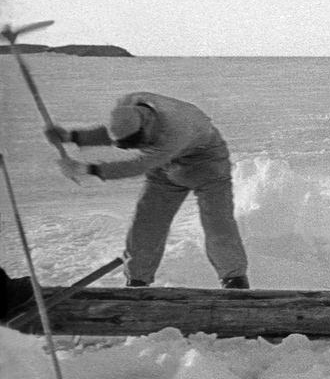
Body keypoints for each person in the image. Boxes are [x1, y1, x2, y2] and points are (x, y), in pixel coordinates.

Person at [46, 92, 250, 289]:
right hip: (163, 167)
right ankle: (137, 282)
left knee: (217, 224)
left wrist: (85, 169)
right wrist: (71, 136)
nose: (135, 146)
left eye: (139, 142)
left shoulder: (175, 128)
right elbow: (115, 135)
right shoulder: (127, 107)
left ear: (148, 124)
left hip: (207, 163)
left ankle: (235, 281)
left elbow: (138, 165)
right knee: (146, 224)